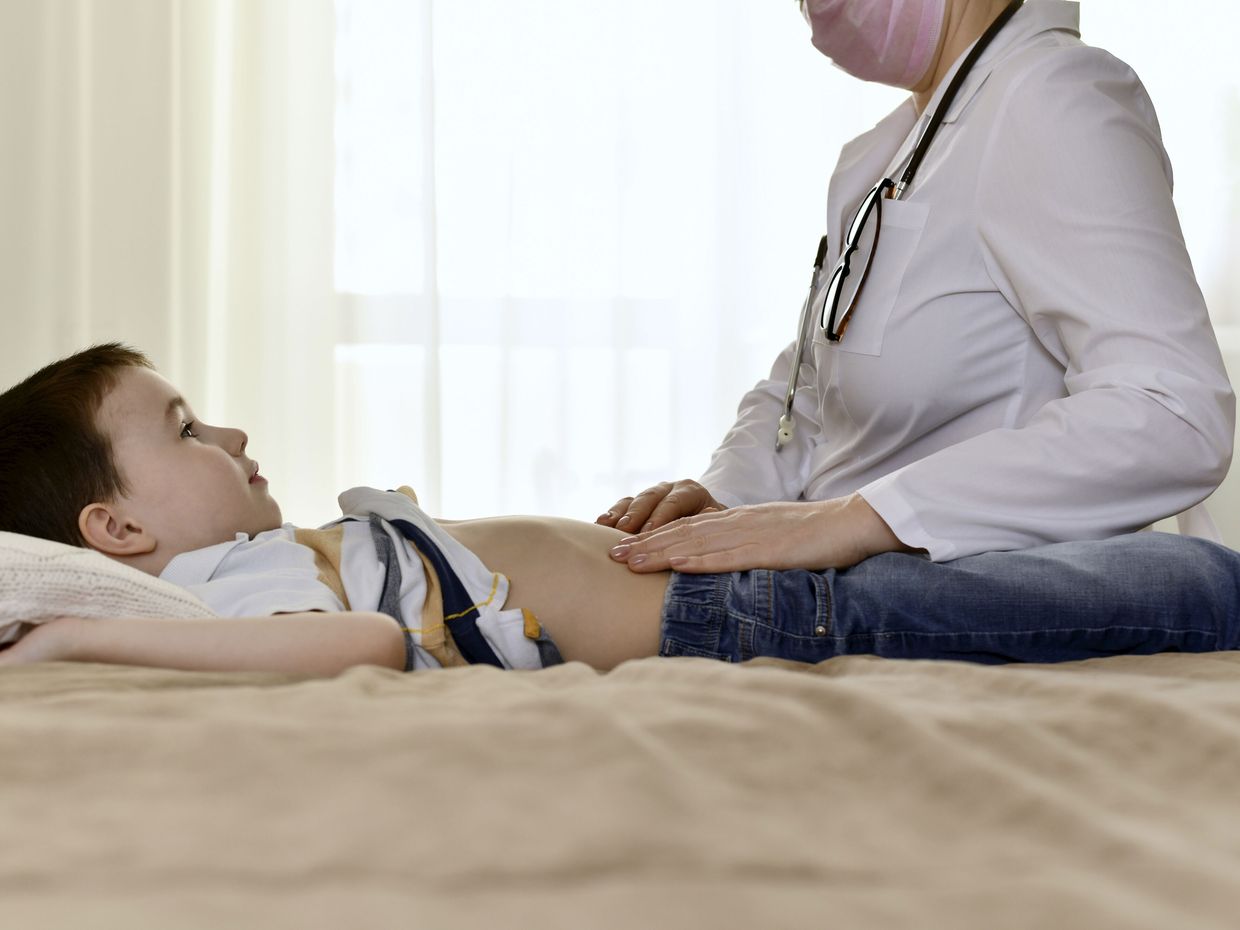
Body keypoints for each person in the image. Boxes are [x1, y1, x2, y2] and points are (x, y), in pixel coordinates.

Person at [0, 344, 1238, 678]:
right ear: (115, 533)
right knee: (1084, 597)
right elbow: (363, 643)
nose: (230, 436)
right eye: (185, 429)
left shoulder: (255, 558)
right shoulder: (218, 593)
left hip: (721, 589)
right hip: (731, 621)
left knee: (1040, 580)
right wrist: (79, 639)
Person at [597, 0, 1236, 582]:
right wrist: (726, 498)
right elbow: (811, 385)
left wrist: (856, 519)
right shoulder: (889, 151)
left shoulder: (1050, 96)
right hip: (831, 579)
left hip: (942, 589)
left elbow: (1173, 414)